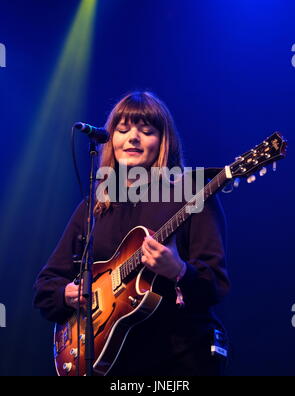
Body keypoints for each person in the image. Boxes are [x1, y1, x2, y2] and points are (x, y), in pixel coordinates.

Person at [34, 91, 230, 376]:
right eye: (122, 130)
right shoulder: (96, 205)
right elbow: (46, 283)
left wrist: (178, 270)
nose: (133, 137)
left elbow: (216, 284)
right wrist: (66, 294)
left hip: (179, 361)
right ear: (111, 140)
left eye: (146, 130)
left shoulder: (193, 191)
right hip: (110, 365)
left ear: (163, 141)